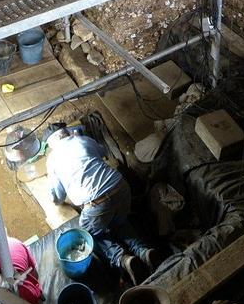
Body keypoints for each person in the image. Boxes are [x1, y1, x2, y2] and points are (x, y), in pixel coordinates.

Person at [44, 122, 159, 285]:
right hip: (121, 187)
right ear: (66, 133)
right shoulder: (83, 140)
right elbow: (104, 153)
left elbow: (57, 197)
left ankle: (122, 259)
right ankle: (143, 251)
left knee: (89, 235)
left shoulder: (53, 160)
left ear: (52, 142)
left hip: (97, 203)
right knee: (118, 221)